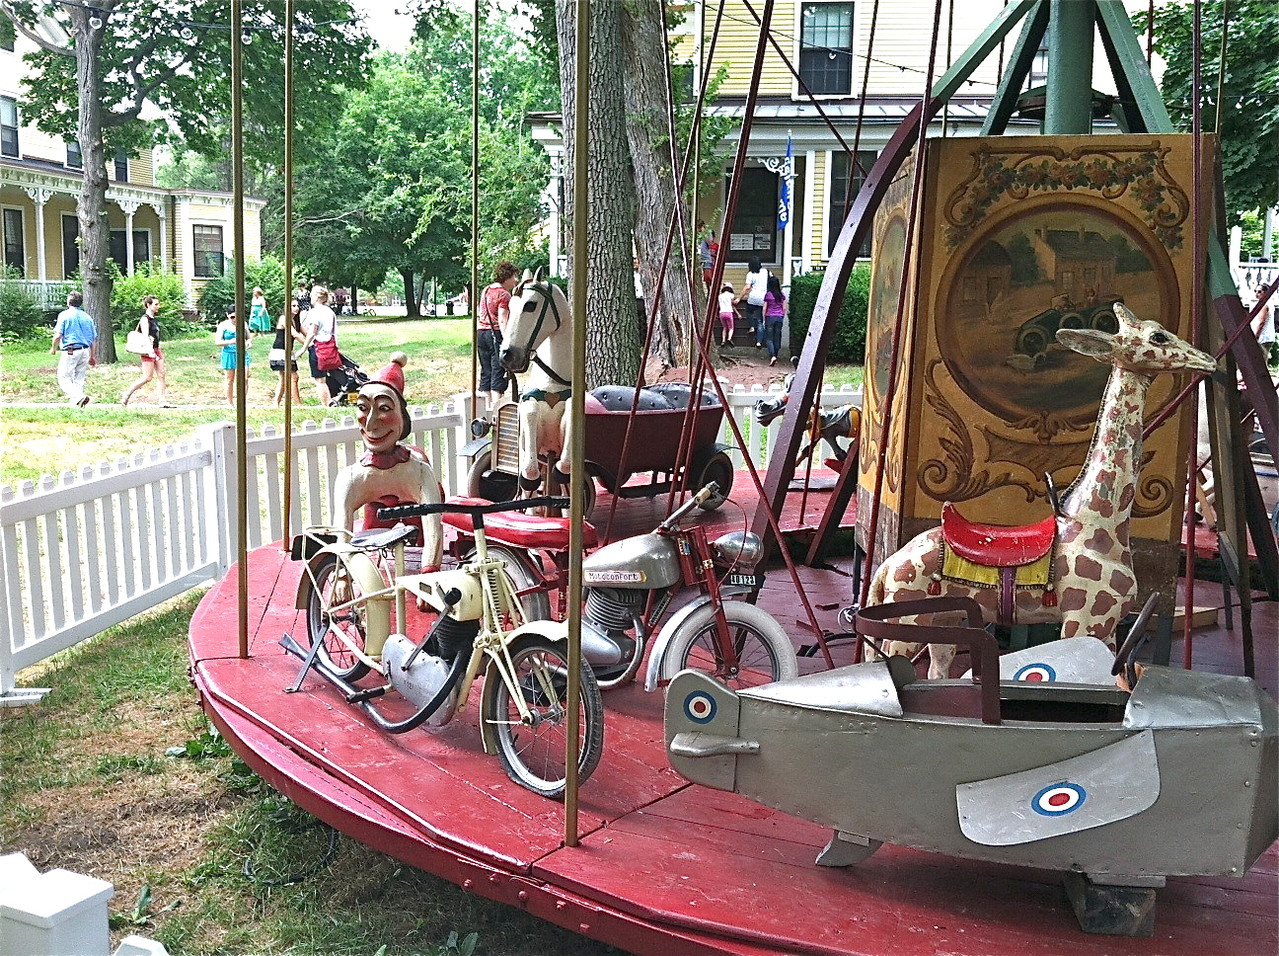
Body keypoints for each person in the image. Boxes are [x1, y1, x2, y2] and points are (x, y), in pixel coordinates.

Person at [330, 354, 443, 570]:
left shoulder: (418, 471)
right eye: (363, 407)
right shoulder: (352, 478)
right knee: (367, 541)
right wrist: (342, 575)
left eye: (384, 409)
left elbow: (433, 529)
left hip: (416, 510)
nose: (371, 424)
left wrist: (429, 572)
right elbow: (342, 532)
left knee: (421, 537)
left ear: (402, 417)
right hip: (378, 507)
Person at [477, 261, 518, 409]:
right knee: (498, 372)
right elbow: (502, 319)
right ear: (506, 276)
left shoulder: (486, 290)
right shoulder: (504, 294)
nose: (516, 280)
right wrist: (508, 340)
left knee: (486, 371)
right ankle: (496, 408)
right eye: (514, 276)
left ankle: (485, 408)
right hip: (495, 335)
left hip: (481, 333)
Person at [121, 295, 172, 407]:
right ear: (148, 305)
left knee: (161, 374)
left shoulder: (154, 319)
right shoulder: (145, 319)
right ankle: (126, 394)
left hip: (156, 349)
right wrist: (150, 351)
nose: (158, 306)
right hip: (148, 350)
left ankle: (162, 400)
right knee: (147, 377)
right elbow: (145, 336)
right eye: (156, 304)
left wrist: (156, 349)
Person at [50, 291, 97, 408]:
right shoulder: (87, 317)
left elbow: (58, 335)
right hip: (85, 350)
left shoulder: (64, 315)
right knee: (79, 378)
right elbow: (94, 339)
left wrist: (53, 348)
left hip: (70, 350)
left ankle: (78, 397)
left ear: (68, 301)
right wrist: (92, 356)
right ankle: (78, 405)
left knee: (64, 377)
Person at [301, 288, 339, 405]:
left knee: (319, 379)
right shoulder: (330, 312)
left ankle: (326, 404)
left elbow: (312, 332)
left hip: (317, 347)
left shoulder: (314, 312)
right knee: (326, 376)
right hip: (330, 346)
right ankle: (330, 399)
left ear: (317, 297)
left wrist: (303, 349)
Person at [270, 299, 307, 405]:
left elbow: (307, 333)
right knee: (293, 377)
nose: (296, 308)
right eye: (293, 305)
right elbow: (295, 334)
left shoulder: (296, 320)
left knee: (283, 378)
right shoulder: (283, 318)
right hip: (279, 352)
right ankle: (298, 404)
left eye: (297, 306)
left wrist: (316, 341)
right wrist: (308, 345)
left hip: (287, 352)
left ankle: (275, 403)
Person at [215, 305, 252, 406]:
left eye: (237, 316)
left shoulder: (243, 324)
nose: (235, 319)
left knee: (244, 377)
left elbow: (248, 337)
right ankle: (230, 403)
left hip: (242, 353)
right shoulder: (223, 326)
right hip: (229, 354)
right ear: (227, 315)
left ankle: (242, 402)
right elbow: (218, 342)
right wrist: (230, 341)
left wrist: (248, 343)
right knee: (229, 379)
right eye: (232, 317)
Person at [738, 257, 769, 347]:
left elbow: (747, 287)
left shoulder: (750, 274)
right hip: (763, 298)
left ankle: (751, 327)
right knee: (760, 321)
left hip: (753, 298)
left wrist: (739, 298)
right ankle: (759, 342)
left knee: (749, 311)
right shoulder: (766, 272)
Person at [762, 274, 787, 365]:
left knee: (769, 338)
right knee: (777, 337)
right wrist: (782, 316)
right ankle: (775, 355)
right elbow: (784, 308)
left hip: (770, 317)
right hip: (779, 317)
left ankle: (772, 356)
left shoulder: (768, 295)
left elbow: (764, 308)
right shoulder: (781, 295)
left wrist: (764, 318)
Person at [717, 282, 737, 346]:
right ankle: (729, 338)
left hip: (721, 313)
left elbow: (719, 305)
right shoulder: (731, 295)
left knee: (724, 327)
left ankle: (723, 341)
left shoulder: (720, 296)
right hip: (729, 312)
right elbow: (733, 303)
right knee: (731, 328)